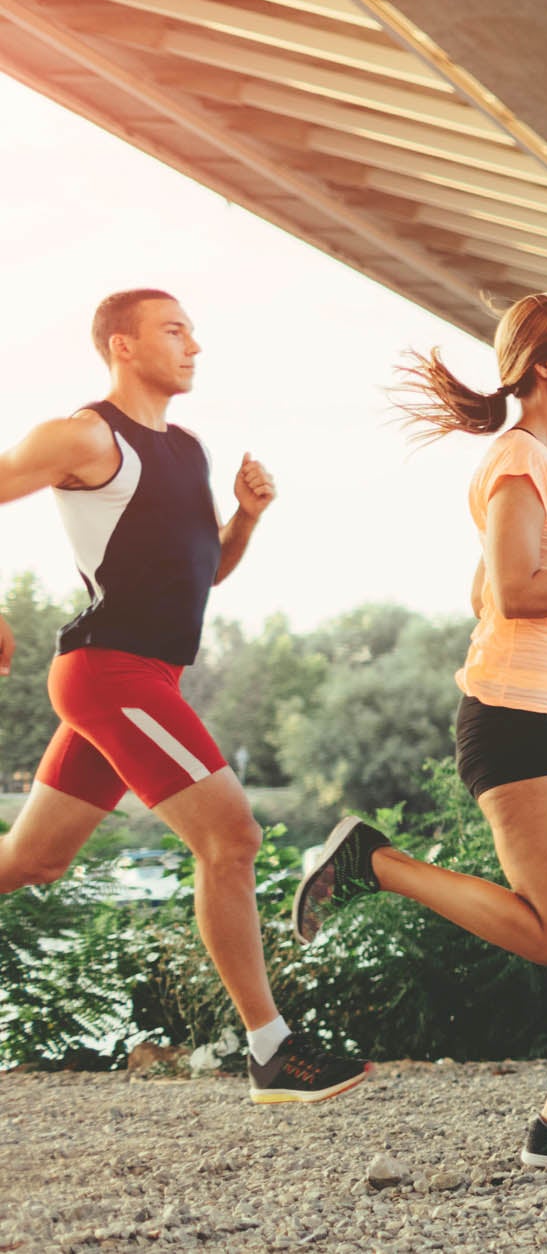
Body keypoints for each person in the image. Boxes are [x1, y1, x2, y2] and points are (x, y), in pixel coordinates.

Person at [293, 292, 547, 1162]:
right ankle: (374, 862)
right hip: (509, 717)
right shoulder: (516, 460)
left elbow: (489, 592)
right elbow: (510, 594)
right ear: (544, 364)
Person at [0, 289, 371, 1103]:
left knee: (31, 861)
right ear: (123, 346)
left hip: (147, 677)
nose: (194, 344)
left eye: (194, 331)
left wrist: (246, 518)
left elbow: (207, 573)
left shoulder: (189, 450)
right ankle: (272, 1051)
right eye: (175, 330)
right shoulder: (85, 434)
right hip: (109, 673)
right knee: (231, 839)